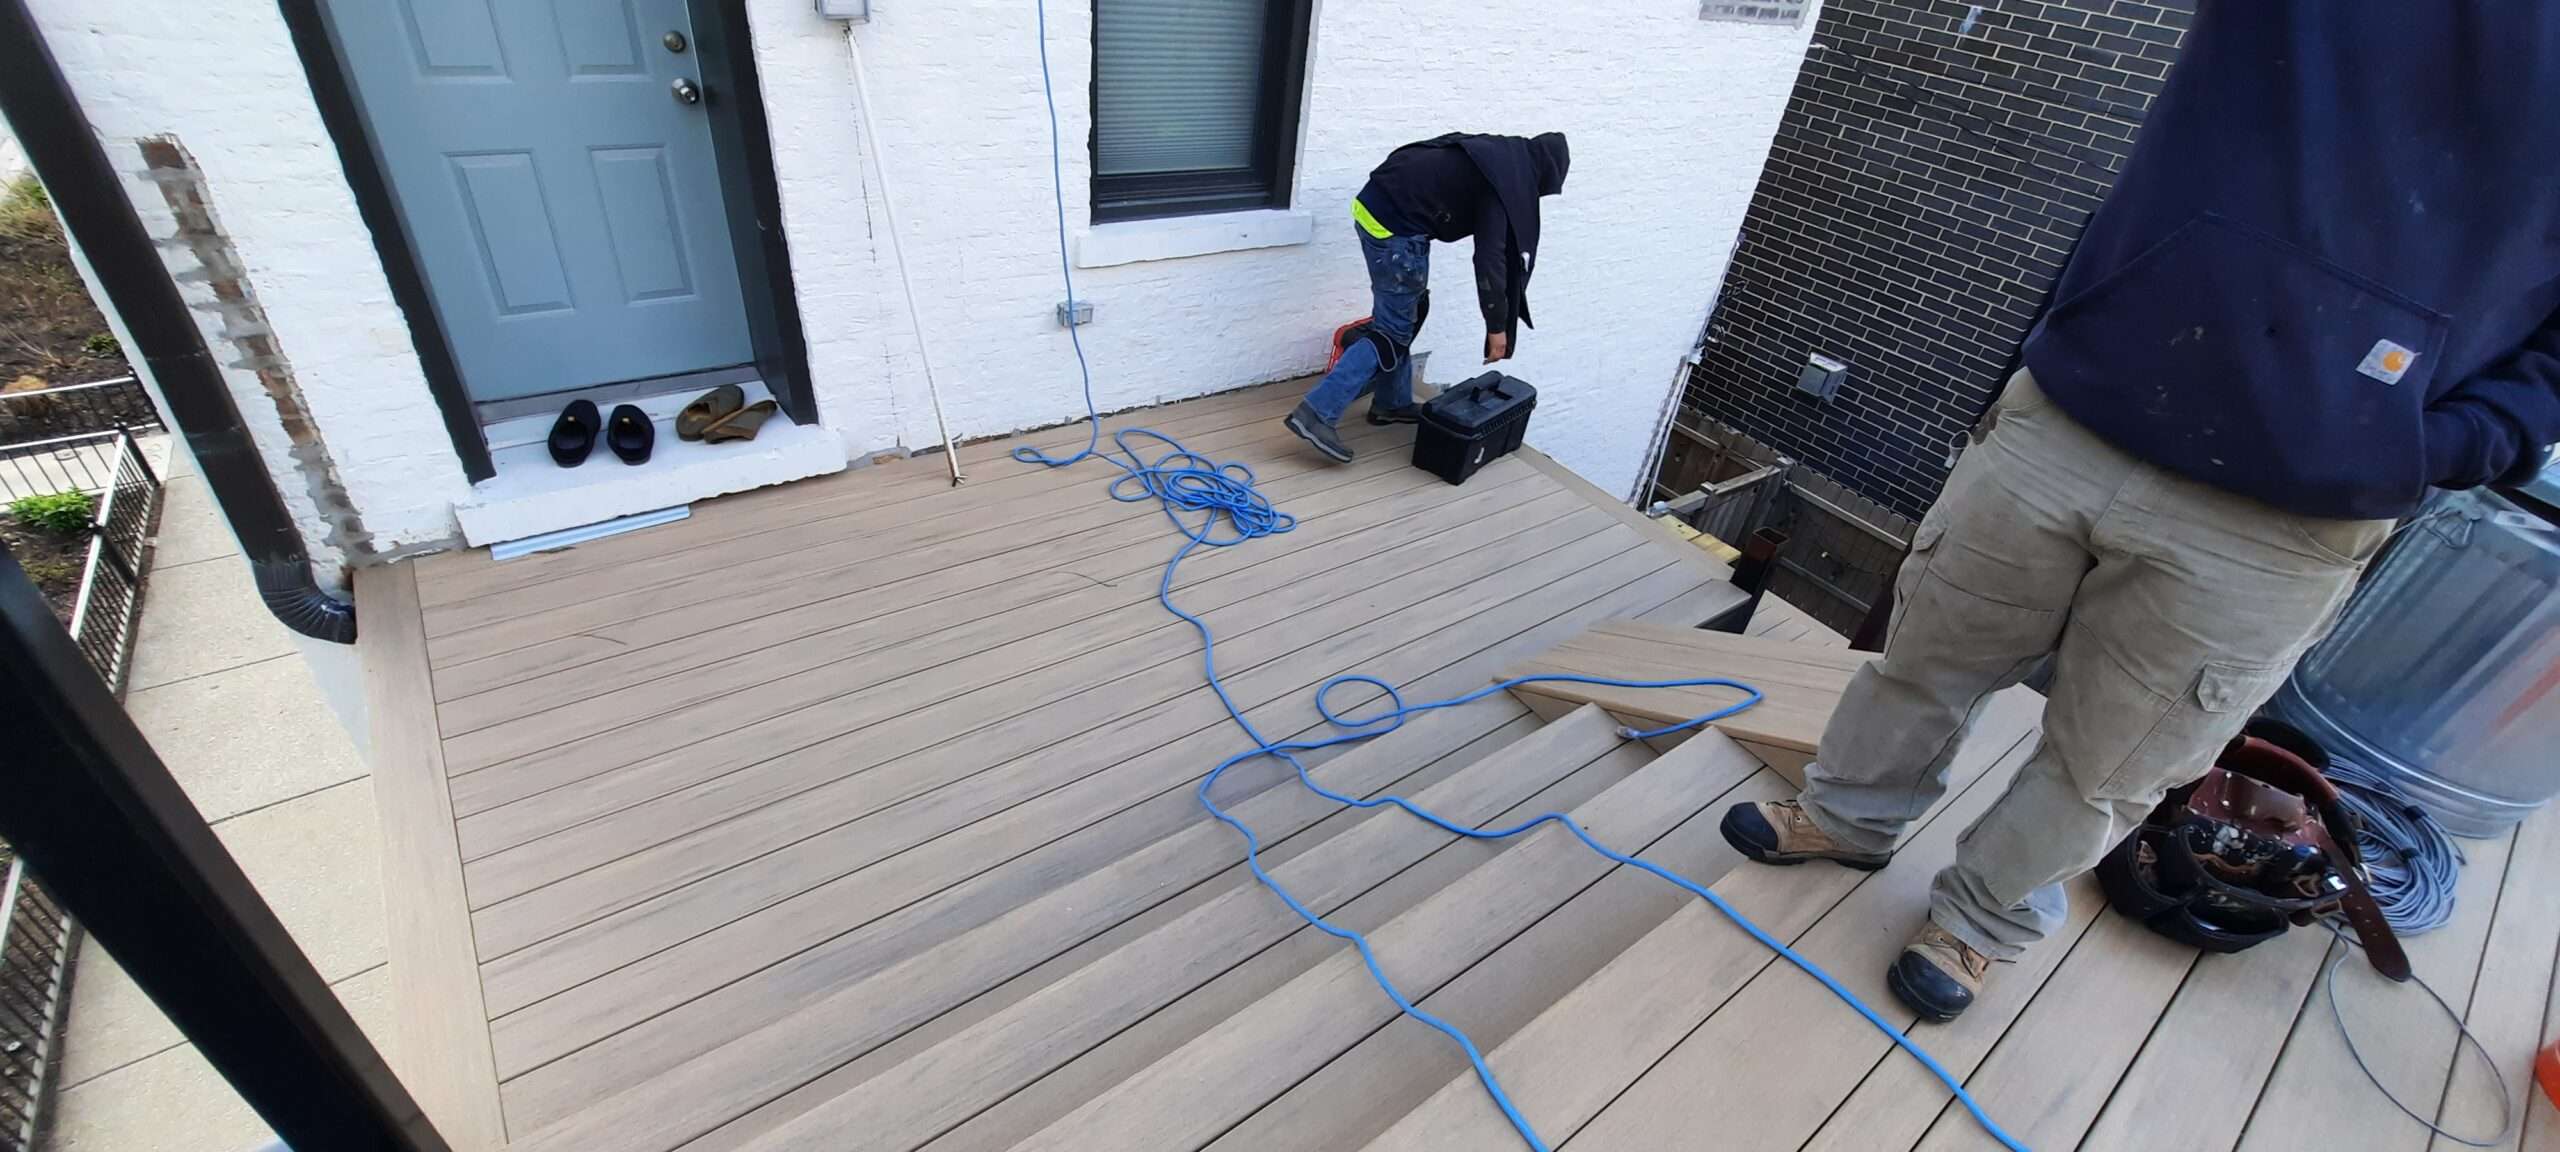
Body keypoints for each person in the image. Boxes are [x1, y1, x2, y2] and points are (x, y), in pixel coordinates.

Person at [1718, 1, 2560, 1023]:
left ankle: (1978, 924)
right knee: (1924, 660)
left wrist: (2436, 443)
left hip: (2288, 519)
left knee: (2109, 762)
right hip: (2076, 410)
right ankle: (1846, 819)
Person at [1284, 132, 1569, 463]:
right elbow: (1490, 257)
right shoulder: (1501, 183)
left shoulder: (1501, 157)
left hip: (1385, 207)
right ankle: (1317, 412)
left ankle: (1391, 403)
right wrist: (1496, 328)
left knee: (1409, 311)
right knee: (1392, 331)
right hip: (1395, 226)